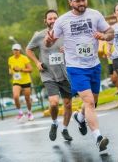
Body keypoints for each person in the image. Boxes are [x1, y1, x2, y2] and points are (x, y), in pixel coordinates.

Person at [44, 0, 114, 152]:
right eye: (78, 0)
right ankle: (98, 137)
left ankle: (80, 116)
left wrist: (104, 36)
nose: (82, 3)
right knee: (89, 101)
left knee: (93, 102)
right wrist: (48, 41)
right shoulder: (62, 20)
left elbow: (110, 31)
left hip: (94, 64)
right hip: (75, 67)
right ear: (71, 2)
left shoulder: (95, 15)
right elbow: (50, 41)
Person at [26, 9, 73, 141]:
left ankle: (64, 128)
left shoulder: (65, 34)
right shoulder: (40, 35)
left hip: (65, 73)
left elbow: (74, 46)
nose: (53, 21)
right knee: (53, 103)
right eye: (50, 18)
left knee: (68, 104)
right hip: (48, 74)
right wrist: (37, 62)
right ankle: (54, 123)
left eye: (55, 18)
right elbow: (28, 50)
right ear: (45, 21)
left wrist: (67, 49)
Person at [8, 43, 34, 121]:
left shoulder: (24, 58)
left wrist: (21, 69)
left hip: (26, 81)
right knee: (15, 96)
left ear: (19, 51)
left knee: (27, 98)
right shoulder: (10, 59)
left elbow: (31, 69)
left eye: (17, 50)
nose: (15, 51)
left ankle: (29, 113)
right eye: (14, 50)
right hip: (16, 81)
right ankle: (20, 113)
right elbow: (10, 68)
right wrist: (11, 71)